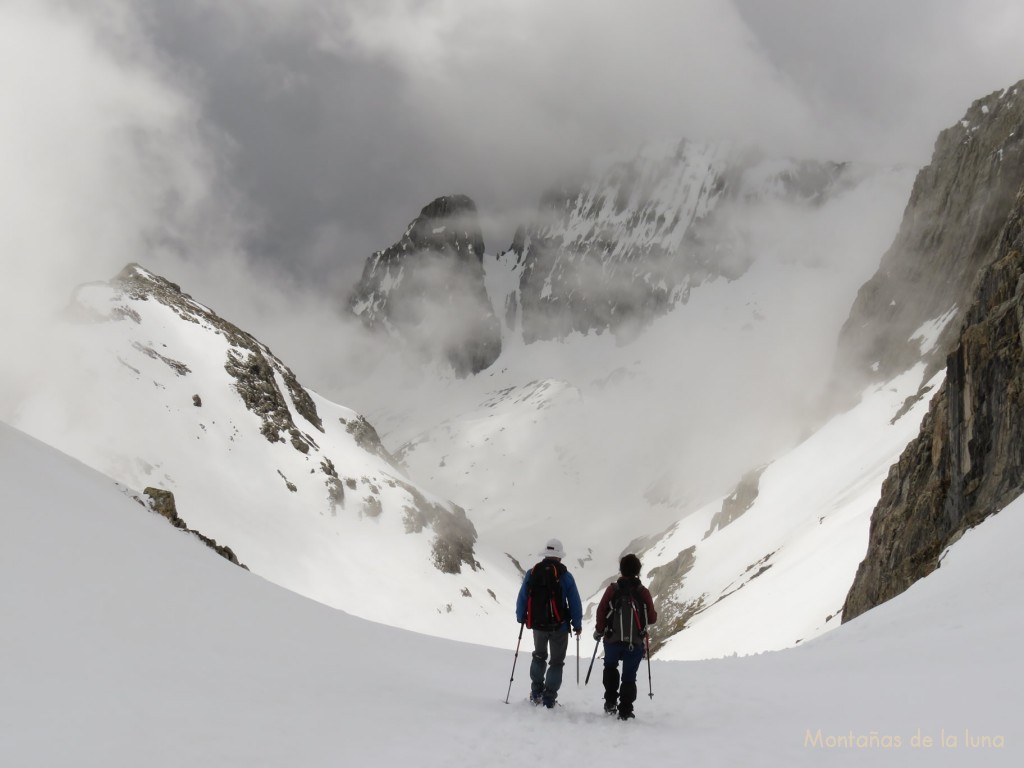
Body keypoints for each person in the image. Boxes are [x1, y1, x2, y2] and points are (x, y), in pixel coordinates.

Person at [515, 538, 583, 708]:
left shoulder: (532, 572)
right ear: (559, 556)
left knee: (539, 656)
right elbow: (574, 602)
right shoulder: (565, 576)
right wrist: (577, 624)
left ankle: (536, 691)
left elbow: (523, 595)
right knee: (556, 661)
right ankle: (549, 697)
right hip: (559, 626)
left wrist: (521, 616)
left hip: (537, 624)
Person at [594, 553, 657, 720]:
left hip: (612, 639)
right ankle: (626, 710)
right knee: (629, 677)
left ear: (621, 570)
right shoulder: (643, 592)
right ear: (638, 571)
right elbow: (651, 618)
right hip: (635, 642)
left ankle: (610, 702)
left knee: (610, 668)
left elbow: (601, 611)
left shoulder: (613, 589)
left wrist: (600, 629)